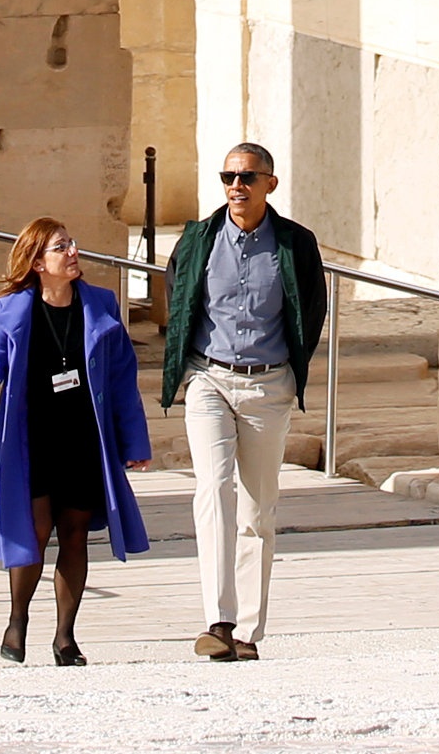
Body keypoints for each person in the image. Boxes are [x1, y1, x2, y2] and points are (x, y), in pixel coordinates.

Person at [0, 217, 154, 666]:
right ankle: (17, 619)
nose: (72, 252)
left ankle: (65, 636)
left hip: (83, 437)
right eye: (61, 248)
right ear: (38, 262)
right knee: (35, 531)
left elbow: (122, 379)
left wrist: (133, 441)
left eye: (72, 244)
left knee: (75, 534)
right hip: (33, 438)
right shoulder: (14, 311)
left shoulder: (100, 305)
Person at [159, 142, 327, 663]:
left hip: (267, 385)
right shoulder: (199, 239)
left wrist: (284, 370)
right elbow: (178, 295)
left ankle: (248, 630)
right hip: (210, 378)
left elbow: (311, 311)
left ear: (269, 184)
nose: (236, 186)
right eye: (228, 176)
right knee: (212, 490)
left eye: (248, 177)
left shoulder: (296, 244)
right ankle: (217, 619)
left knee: (257, 506)